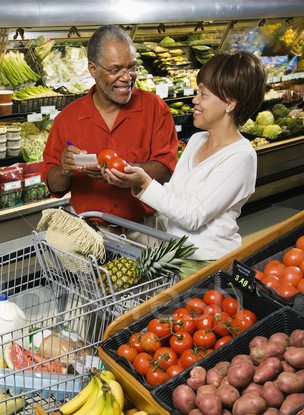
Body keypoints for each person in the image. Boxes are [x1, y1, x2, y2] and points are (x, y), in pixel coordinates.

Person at [103, 50, 267, 263]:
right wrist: (136, 180)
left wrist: (145, 182)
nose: (194, 100)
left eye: (203, 94)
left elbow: (193, 217)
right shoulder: (198, 140)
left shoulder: (241, 156)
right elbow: (173, 193)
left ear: (230, 103)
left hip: (207, 263)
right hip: (176, 254)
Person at [42, 25, 178, 236]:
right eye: (116, 70)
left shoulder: (155, 108)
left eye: (132, 67)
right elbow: (55, 185)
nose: (127, 77)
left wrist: (123, 170)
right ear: (93, 69)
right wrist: (65, 169)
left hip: (146, 229)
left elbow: (167, 170)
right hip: (88, 234)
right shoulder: (67, 119)